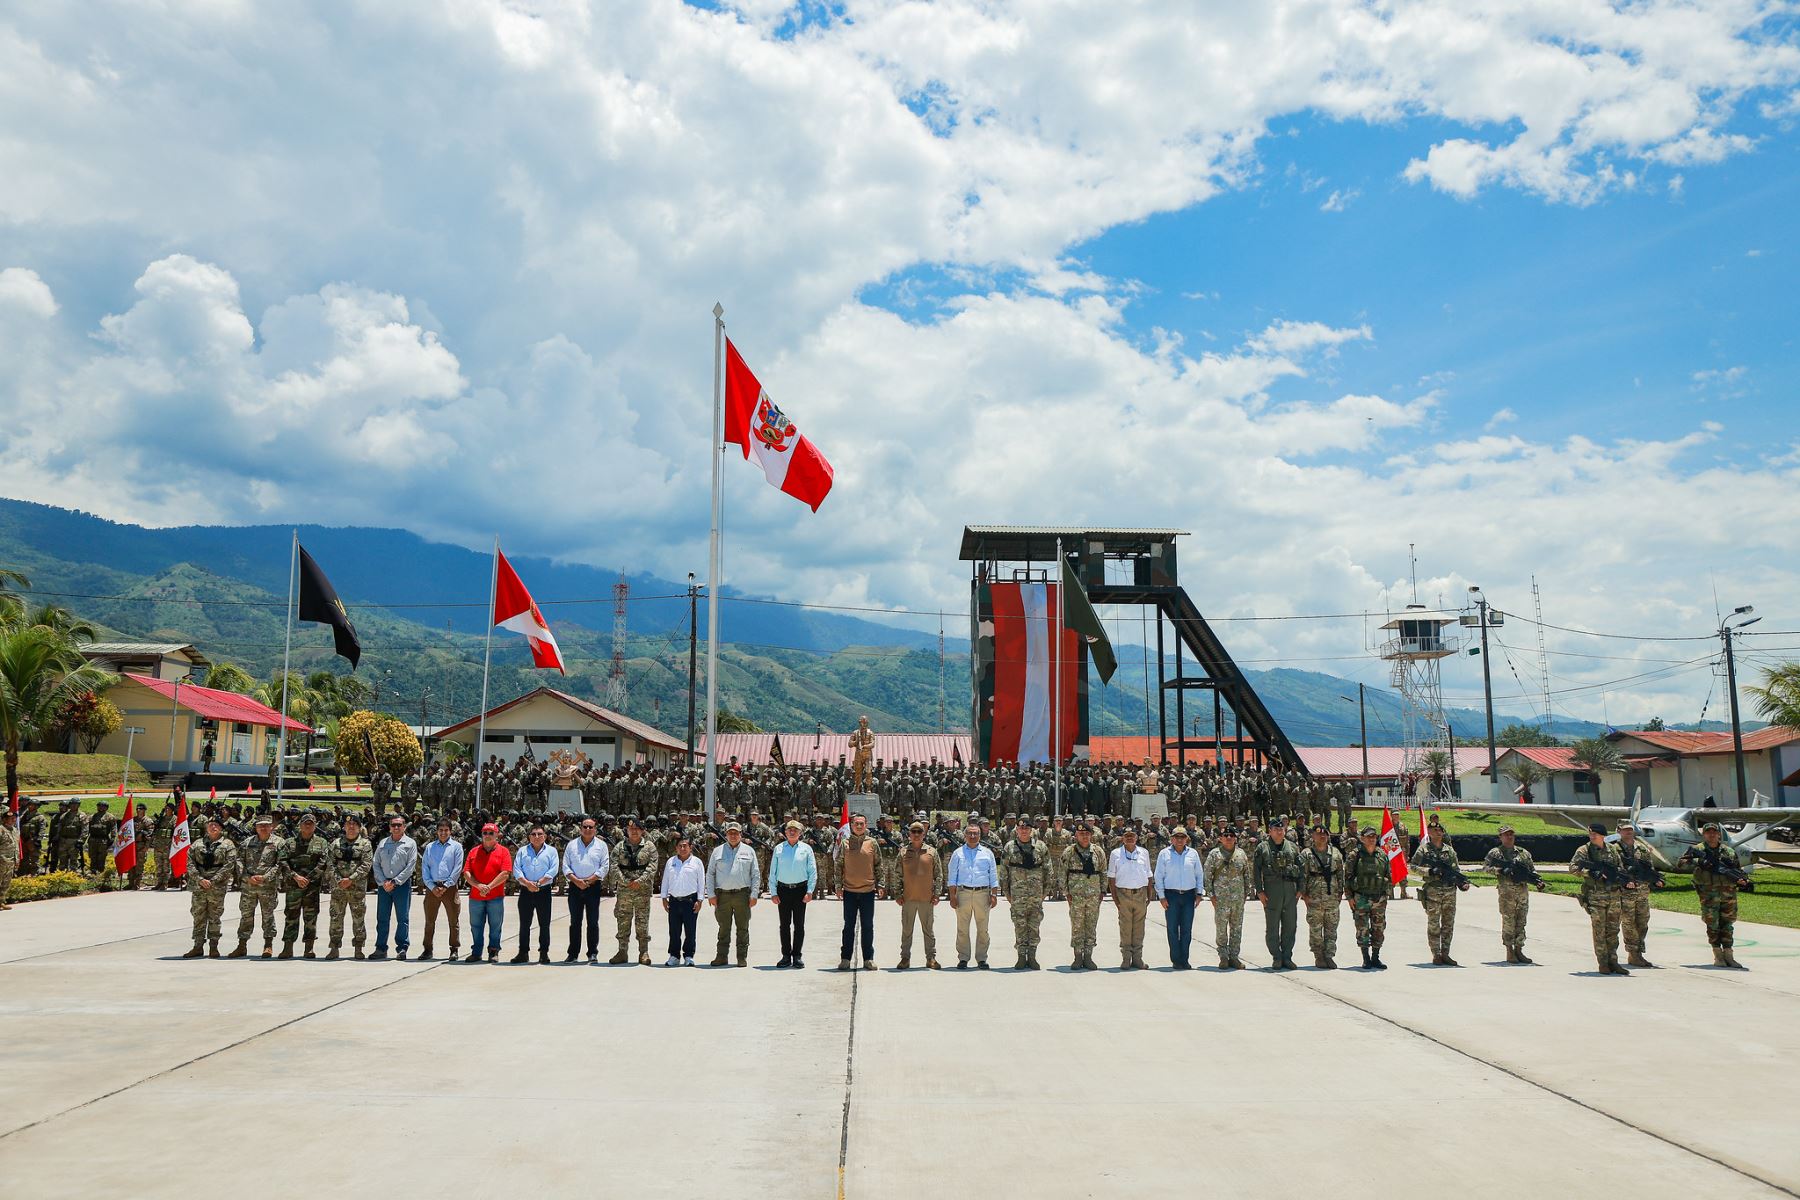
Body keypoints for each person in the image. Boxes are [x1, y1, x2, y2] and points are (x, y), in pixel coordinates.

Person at [1677, 822, 1751, 969]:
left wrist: (1742, 880)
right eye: (1708, 832)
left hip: (1728, 894)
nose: (1711, 835)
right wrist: (1698, 861)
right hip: (1708, 894)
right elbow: (1681, 864)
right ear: (1704, 834)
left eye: (1714, 832)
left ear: (1719, 834)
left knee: (1728, 924)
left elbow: (1736, 870)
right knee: (1712, 924)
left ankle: (1729, 955)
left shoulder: (1728, 851)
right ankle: (1718, 955)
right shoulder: (1698, 850)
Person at [1408, 820, 1469, 966]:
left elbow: (1456, 871)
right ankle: (1436, 954)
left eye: (1439, 830)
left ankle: (1446, 953)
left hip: (1449, 891)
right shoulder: (1423, 850)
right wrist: (1429, 871)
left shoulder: (1449, 850)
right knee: (1434, 924)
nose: (1438, 832)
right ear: (1429, 832)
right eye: (1434, 830)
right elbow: (1413, 867)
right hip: (1433, 891)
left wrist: (1462, 883)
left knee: (1448, 924)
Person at [1481, 825, 1542, 964]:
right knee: (1509, 921)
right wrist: (1501, 870)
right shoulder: (1495, 853)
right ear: (1500, 837)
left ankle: (1519, 949)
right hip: (1506, 893)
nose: (1509, 837)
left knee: (1521, 921)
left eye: (1511, 834)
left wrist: (1538, 881)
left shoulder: (1523, 853)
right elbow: (1485, 868)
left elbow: (1532, 870)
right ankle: (1509, 950)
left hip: (1522, 892)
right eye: (1506, 834)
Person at [706, 821, 761, 967]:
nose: (733, 835)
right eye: (730, 833)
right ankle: (721, 956)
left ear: (741, 835)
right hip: (722, 895)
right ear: (726, 834)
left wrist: (754, 894)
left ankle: (741, 957)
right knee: (723, 927)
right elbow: (710, 873)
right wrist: (710, 894)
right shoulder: (717, 851)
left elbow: (755, 874)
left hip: (742, 895)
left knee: (742, 927)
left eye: (736, 833)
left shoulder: (749, 851)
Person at [1253, 816, 1304, 971]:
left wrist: (1300, 889)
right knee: (1272, 926)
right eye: (1276, 829)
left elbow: (1301, 869)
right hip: (1271, 890)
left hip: (1290, 890)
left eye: (1281, 829)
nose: (1279, 832)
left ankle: (1287, 957)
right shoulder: (1262, 848)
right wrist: (1259, 891)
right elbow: (1256, 871)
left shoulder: (1293, 847)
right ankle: (1276, 956)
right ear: (1270, 831)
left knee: (1290, 925)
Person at [230, 813, 284, 959]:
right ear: (256, 827)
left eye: (266, 825)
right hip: (249, 887)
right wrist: (247, 877)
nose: (263, 828)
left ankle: (268, 945)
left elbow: (280, 863)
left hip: (268, 887)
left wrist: (266, 877)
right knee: (246, 916)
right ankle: (242, 945)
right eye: (260, 826)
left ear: (271, 827)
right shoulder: (247, 843)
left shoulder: (279, 843)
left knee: (268, 916)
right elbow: (239, 860)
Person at [999, 815, 1050, 970]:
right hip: (1017, 894)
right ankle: (1021, 956)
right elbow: (1004, 871)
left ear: (1031, 830)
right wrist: (1007, 893)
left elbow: (1048, 870)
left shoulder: (1040, 847)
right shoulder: (1009, 847)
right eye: (1021, 828)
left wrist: (1045, 892)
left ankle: (1032, 956)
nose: (1024, 831)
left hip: (1036, 894)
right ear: (1017, 830)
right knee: (1020, 925)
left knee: (1034, 925)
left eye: (1026, 828)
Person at [183, 817, 238, 958]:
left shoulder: (227, 844)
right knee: (198, 916)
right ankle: (198, 946)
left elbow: (229, 865)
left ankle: (214, 946)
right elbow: (189, 863)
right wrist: (200, 879)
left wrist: (213, 881)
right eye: (210, 825)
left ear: (221, 828)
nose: (213, 827)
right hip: (199, 886)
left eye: (216, 825)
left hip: (217, 887)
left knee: (215, 916)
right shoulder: (197, 844)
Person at [946, 821, 998, 969]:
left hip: (982, 893)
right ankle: (963, 958)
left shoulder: (988, 853)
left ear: (980, 835)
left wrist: (993, 895)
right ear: (965, 835)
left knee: (983, 928)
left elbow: (993, 875)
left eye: (975, 833)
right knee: (962, 928)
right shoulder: (958, 853)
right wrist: (952, 896)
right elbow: (952, 876)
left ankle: (982, 958)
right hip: (963, 893)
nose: (973, 836)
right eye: (970, 833)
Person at [279, 813, 331, 960]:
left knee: (311, 918)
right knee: (291, 916)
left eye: (311, 823)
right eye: (305, 823)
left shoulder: (322, 842)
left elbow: (323, 862)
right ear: (300, 825)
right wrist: (295, 877)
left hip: (311, 887)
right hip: (293, 886)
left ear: (315, 826)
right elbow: (283, 861)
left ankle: (309, 948)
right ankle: (287, 948)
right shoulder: (289, 842)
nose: (308, 826)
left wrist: (308, 879)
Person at [1616, 820, 1666, 968]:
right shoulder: (1614, 849)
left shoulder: (1642, 849)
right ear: (1619, 831)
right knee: (1629, 923)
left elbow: (1649, 869)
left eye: (1630, 829)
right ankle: (1633, 954)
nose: (1628, 832)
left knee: (1643, 922)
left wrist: (1656, 880)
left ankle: (1639, 952)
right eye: (1625, 830)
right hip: (1625, 893)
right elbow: (1615, 870)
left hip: (1642, 892)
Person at [768, 819, 817, 969]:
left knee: (799, 925)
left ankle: (797, 956)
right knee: (784, 925)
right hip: (783, 890)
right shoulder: (778, 849)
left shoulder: (806, 849)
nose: (792, 831)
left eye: (795, 829)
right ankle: (785, 956)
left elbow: (812, 871)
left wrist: (809, 891)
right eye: (789, 829)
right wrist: (774, 892)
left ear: (800, 833)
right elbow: (772, 872)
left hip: (800, 890)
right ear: (785, 832)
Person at [608, 818, 657, 965]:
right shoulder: (619, 847)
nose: (634, 831)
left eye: (637, 828)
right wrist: (626, 882)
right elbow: (614, 866)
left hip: (642, 891)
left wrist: (639, 881)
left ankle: (644, 952)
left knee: (642, 922)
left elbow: (652, 867)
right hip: (624, 891)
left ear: (642, 831)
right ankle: (622, 951)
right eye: (631, 829)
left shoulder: (650, 847)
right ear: (627, 831)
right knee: (623, 920)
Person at [562, 816, 611, 964]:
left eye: (591, 827)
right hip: (575, 887)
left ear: (595, 829)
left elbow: (605, 866)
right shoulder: (571, 845)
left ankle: (592, 953)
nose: (588, 829)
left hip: (593, 887)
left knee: (593, 922)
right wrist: (576, 881)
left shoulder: (601, 846)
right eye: (585, 827)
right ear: (580, 828)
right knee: (575, 922)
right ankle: (573, 953)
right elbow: (565, 866)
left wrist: (589, 880)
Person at [894, 821, 943, 969]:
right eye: (913, 832)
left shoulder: (931, 852)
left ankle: (931, 958)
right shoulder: (903, 852)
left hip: (926, 899)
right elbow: (897, 874)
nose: (916, 835)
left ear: (924, 834)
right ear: (909, 834)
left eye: (919, 832)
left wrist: (937, 894)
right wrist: (897, 894)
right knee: (907, 930)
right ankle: (905, 958)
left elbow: (938, 874)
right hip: (908, 898)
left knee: (928, 930)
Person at [324, 813, 373, 960]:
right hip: (338, 889)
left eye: (355, 825)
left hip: (356, 889)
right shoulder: (336, 844)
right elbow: (330, 864)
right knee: (335, 918)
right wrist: (340, 880)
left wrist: (351, 879)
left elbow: (366, 865)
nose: (351, 827)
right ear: (344, 827)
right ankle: (334, 947)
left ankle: (358, 948)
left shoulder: (365, 844)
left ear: (359, 827)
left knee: (358, 919)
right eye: (348, 825)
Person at [371, 814, 419, 961]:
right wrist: (383, 882)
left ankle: (402, 948)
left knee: (402, 919)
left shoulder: (410, 844)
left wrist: (395, 882)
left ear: (404, 827)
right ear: (390, 827)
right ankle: (380, 948)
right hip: (384, 886)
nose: (396, 827)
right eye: (393, 825)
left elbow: (410, 866)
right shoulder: (383, 843)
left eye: (399, 825)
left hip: (401, 886)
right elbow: (376, 863)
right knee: (382, 918)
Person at [1203, 827, 1252, 970]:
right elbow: (1207, 876)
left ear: (1235, 838)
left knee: (1237, 928)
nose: (1229, 837)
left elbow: (1246, 875)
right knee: (1221, 929)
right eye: (1226, 835)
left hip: (1238, 899)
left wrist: (1245, 894)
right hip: (1221, 899)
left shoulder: (1241, 854)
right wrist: (1211, 895)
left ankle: (1234, 957)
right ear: (1220, 838)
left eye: (1232, 835)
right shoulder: (1214, 854)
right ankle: (1223, 956)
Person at [836, 813, 880, 970]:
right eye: (856, 824)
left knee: (867, 926)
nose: (859, 826)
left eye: (862, 823)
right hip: (849, 891)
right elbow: (838, 865)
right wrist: (837, 886)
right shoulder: (845, 843)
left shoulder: (872, 843)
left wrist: (880, 885)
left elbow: (878, 865)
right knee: (849, 926)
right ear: (852, 825)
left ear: (866, 825)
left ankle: (868, 959)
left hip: (868, 891)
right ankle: (845, 958)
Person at [462, 823, 511, 963]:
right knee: (476, 926)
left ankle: (493, 951)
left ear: (497, 835)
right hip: (476, 897)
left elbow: (505, 873)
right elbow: (466, 872)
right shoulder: (473, 852)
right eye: (485, 833)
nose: (487, 835)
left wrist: (488, 887)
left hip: (495, 897)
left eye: (491, 833)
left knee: (495, 926)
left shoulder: (504, 852)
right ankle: (476, 952)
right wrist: (478, 886)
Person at [1300, 824, 1346, 970]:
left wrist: (1340, 893)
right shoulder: (1307, 854)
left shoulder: (1336, 853)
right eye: (1319, 834)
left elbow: (1340, 874)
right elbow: (1302, 876)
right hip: (1313, 898)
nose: (1322, 836)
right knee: (1315, 929)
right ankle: (1318, 955)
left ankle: (1329, 956)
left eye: (1325, 834)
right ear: (1312, 836)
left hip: (1331, 897)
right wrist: (1304, 895)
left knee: (1331, 929)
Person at [511, 824, 559, 964]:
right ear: (529, 837)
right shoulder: (522, 851)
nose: (536, 837)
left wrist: (538, 883)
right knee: (524, 924)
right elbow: (517, 870)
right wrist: (527, 883)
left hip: (543, 891)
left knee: (544, 924)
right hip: (526, 891)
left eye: (539, 834)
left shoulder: (551, 851)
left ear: (545, 836)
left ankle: (543, 953)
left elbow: (553, 870)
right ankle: (523, 953)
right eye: (533, 834)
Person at [1107, 824, 1152, 969]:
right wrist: (1115, 898)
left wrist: (1149, 895)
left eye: (1132, 835)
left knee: (1139, 927)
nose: (1130, 838)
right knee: (1125, 927)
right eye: (1127, 836)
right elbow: (1111, 878)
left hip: (1140, 894)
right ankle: (1126, 958)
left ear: (1137, 837)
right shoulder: (1115, 854)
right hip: (1123, 894)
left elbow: (1149, 875)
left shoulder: (1144, 852)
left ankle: (1137, 959)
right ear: (1122, 839)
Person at [1062, 821, 1106, 970]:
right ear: (1076, 835)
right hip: (1076, 896)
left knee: (1091, 925)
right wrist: (1066, 893)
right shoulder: (1069, 851)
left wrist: (1102, 891)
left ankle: (1088, 957)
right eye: (1081, 834)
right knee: (1077, 926)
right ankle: (1077, 957)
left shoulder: (1098, 851)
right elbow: (1062, 874)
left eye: (1087, 834)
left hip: (1093, 895)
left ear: (1091, 835)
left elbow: (1103, 872)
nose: (1084, 836)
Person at [420, 818, 465, 962]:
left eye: (446, 830)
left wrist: (446, 885)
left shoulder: (456, 847)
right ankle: (427, 949)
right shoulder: (430, 847)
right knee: (429, 921)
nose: (443, 833)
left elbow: (457, 868)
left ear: (450, 831)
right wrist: (432, 887)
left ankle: (454, 949)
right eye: (441, 830)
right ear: (437, 831)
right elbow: (425, 868)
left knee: (453, 920)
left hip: (449, 888)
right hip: (432, 888)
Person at [1345, 826, 1390, 970]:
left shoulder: (1382, 855)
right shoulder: (1354, 855)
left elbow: (1388, 876)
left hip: (1379, 899)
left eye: (1374, 836)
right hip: (1361, 898)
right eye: (1369, 836)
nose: (1372, 839)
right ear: (1362, 838)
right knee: (1362, 929)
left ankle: (1376, 957)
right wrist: (1349, 897)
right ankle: (1366, 958)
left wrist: (1385, 895)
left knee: (1379, 929)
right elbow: (1347, 878)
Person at [661, 834, 705, 966]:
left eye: (685, 846)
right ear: (676, 848)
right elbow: (665, 880)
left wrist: (700, 900)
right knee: (674, 930)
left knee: (690, 931)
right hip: (674, 901)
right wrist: (664, 898)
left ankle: (689, 956)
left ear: (690, 847)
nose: (682, 848)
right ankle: (674, 956)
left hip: (690, 901)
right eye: (680, 846)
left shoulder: (697, 862)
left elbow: (701, 882)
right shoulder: (671, 861)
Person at [0, 808, 18, 910]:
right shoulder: (1, 829)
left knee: (6, 884)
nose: (13, 820)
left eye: (14, 818)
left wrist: (17, 859)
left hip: (11, 860)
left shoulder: (15, 830)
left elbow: (16, 846)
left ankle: (1, 902)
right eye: (10, 818)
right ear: (4, 819)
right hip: (1, 860)